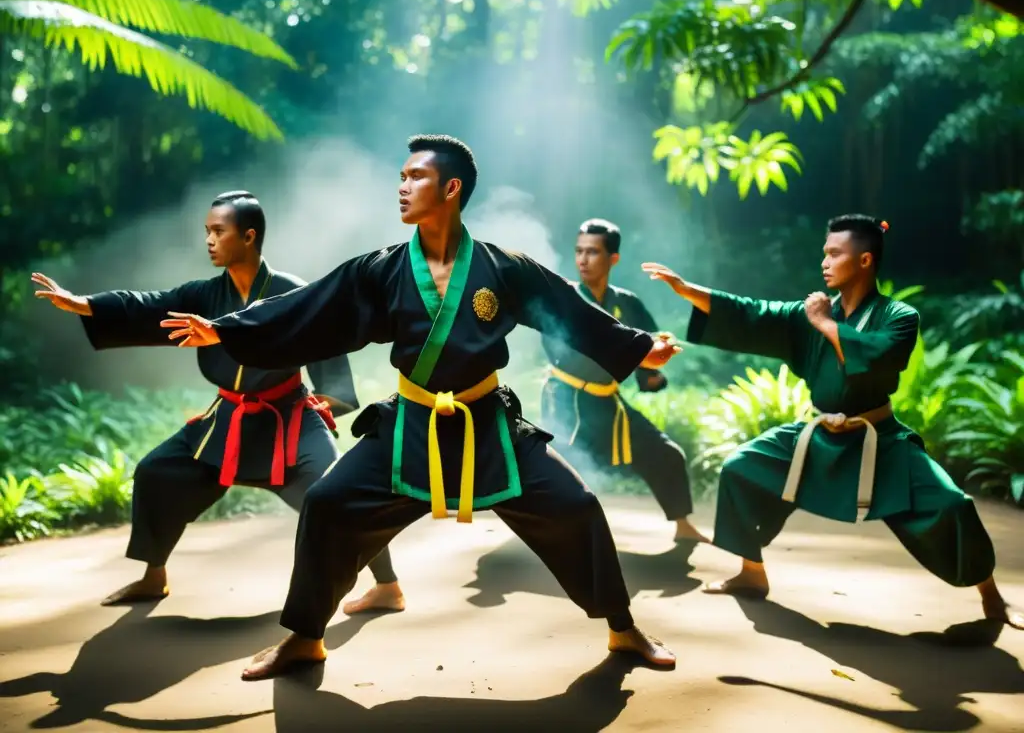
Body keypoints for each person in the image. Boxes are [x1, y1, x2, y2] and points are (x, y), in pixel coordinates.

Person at [161, 135, 681, 680]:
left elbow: (571, 311)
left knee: (576, 506)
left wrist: (642, 346)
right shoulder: (381, 269)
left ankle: (623, 628)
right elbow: (309, 307)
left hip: (488, 427)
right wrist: (225, 329)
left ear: (451, 188)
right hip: (411, 424)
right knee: (328, 504)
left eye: (416, 177)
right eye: (401, 177)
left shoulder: (504, 268)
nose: (402, 186)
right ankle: (305, 638)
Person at [642, 214, 1024, 630]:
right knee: (741, 468)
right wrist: (686, 290)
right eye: (824, 253)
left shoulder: (899, 315)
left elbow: (877, 358)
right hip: (820, 434)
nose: (824, 261)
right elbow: (753, 313)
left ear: (864, 261)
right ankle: (751, 572)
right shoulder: (813, 310)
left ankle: (991, 595)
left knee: (951, 504)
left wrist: (824, 323)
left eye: (834, 253)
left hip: (880, 438)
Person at [33, 191, 405, 611]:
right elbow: (152, 305)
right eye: (207, 231)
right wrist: (87, 305)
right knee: (157, 473)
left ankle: (387, 586)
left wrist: (328, 400)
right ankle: (153, 577)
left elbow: (329, 345)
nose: (209, 240)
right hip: (226, 420)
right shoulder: (205, 294)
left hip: (286, 419)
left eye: (218, 231)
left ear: (248, 237)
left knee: (335, 494)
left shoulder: (293, 292)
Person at [540, 219, 707, 543]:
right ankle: (547, 532)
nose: (583, 259)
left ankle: (683, 526)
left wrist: (653, 374)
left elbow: (648, 346)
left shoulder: (627, 303)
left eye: (593, 252)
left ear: (613, 258)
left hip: (607, 401)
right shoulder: (566, 298)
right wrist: (628, 353)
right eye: (579, 251)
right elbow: (557, 349)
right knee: (558, 467)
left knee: (666, 453)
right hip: (567, 400)